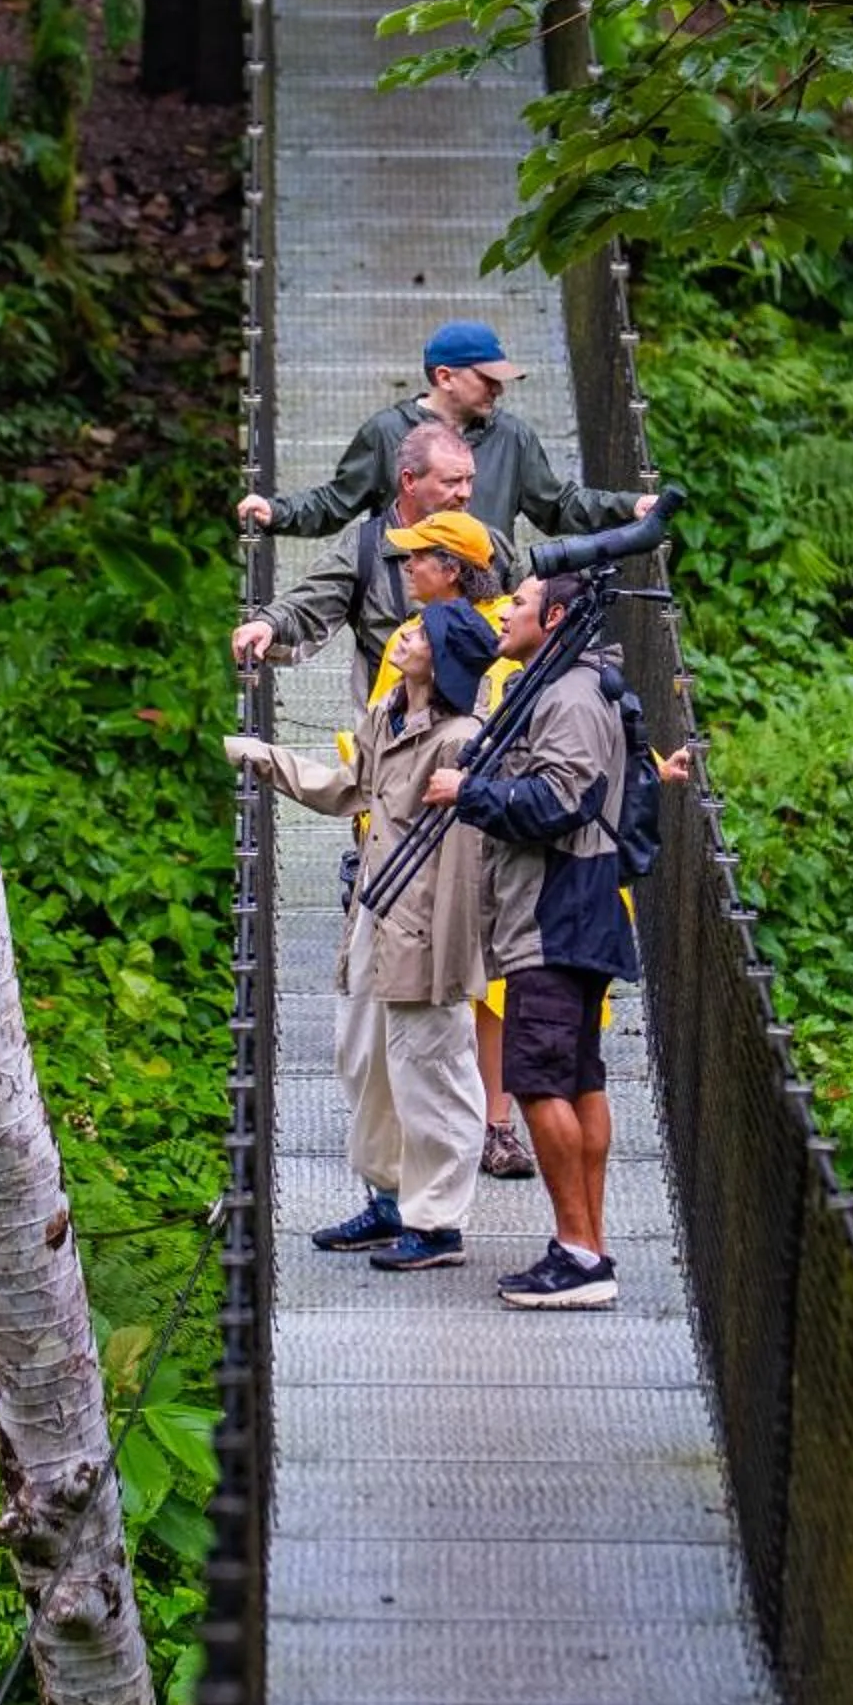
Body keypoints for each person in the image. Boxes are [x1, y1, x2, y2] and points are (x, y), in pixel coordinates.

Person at [230, 601, 504, 1272]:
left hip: (426, 934)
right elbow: (351, 790)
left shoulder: (461, 740)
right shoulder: (388, 716)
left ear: (441, 659)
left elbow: (470, 863)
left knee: (433, 1073)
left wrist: (453, 959)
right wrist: (261, 759)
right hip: (373, 915)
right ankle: (388, 1199)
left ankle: (437, 1223)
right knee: (367, 1065)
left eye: (419, 633)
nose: (404, 635)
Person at [425, 572, 640, 1310]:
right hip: (575, 909)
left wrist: (469, 793)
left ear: (552, 617)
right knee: (579, 1079)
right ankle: (589, 1246)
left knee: (541, 1080)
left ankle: (579, 1254)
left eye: (517, 603)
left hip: (556, 911)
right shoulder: (565, 686)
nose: (505, 612)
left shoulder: (570, 696)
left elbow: (561, 798)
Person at [357, 510, 538, 1183]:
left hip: (469, 836)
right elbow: (387, 730)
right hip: (460, 834)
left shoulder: (468, 632)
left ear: (451, 570)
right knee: (472, 993)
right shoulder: (459, 631)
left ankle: (456, 1161)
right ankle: (481, 1132)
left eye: (418, 558)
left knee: (474, 994)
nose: (406, 568)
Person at [235, 321, 659, 547]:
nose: (498, 388)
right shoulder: (387, 434)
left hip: (485, 612)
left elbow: (558, 506)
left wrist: (629, 506)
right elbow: (335, 502)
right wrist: (276, 513)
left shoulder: (512, 437)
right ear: (445, 376)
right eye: (487, 378)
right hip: (400, 612)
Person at [229, 420, 483, 700]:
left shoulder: (489, 545)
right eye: (451, 482)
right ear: (409, 481)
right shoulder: (363, 550)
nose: (465, 493)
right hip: (395, 731)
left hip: (479, 727)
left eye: (469, 480)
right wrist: (268, 624)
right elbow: (312, 602)